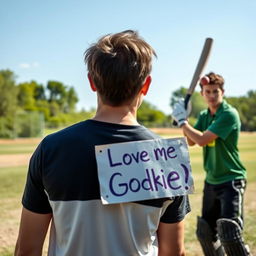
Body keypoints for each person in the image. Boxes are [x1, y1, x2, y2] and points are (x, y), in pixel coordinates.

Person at [15, 30, 191, 256]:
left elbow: (27, 250)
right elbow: (173, 252)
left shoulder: (50, 149)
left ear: (91, 82)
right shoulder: (168, 160)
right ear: (146, 85)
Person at [171, 72, 251, 256]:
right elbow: (190, 141)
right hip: (212, 180)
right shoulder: (205, 115)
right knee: (205, 232)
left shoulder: (228, 114)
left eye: (216, 91)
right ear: (202, 94)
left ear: (223, 92)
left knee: (230, 233)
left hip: (232, 179)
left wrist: (182, 122)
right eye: (208, 91)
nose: (212, 95)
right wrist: (184, 119)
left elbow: (201, 140)